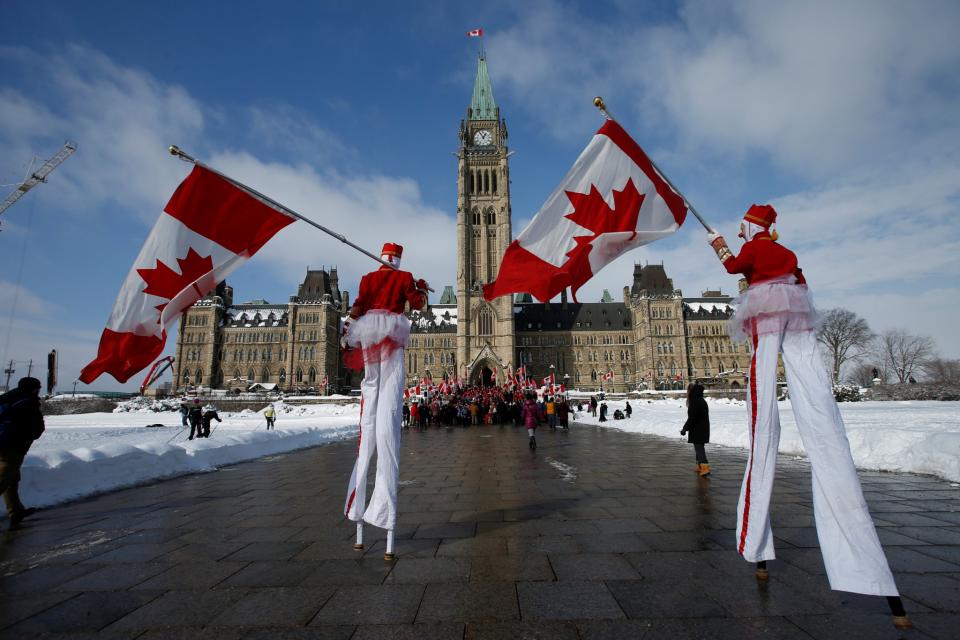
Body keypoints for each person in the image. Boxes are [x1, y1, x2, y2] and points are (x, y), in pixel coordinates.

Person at [708, 204, 908, 628]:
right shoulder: (787, 254)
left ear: (751, 227)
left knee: (762, 408)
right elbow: (802, 280)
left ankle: (758, 545)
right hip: (798, 317)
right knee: (816, 396)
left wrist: (719, 245)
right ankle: (868, 569)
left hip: (765, 315)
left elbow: (732, 267)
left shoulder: (754, 250)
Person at [342, 242, 428, 561]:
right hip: (392, 335)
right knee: (390, 407)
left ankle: (359, 513)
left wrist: (349, 326)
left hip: (367, 336)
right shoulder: (403, 276)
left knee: (371, 390)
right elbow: (417, 304)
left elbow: (358, 307)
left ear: (380, 257)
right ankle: (383, 516)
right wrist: (418, 289)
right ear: (398, 259)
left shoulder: (366, 278)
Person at [0, 377, 45, 526]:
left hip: (4, 444)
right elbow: (36, 428)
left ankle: (16, 510)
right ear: (33, 388)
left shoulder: (6, 398)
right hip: (12, 448)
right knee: (4, 479)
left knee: (12, 479)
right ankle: (15, 510)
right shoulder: (28, 402)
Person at [680, 382, 710, 477]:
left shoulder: (695, 401)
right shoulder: (701, 400)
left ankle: (705, 467)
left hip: (698, 428)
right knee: (698, 447)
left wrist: (685, 428)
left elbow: (692, 418)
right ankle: (699, 466)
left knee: (699, 448)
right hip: (703, 427)